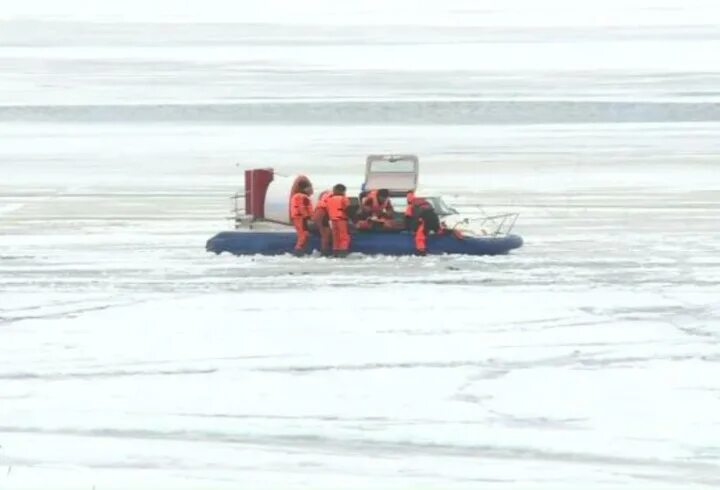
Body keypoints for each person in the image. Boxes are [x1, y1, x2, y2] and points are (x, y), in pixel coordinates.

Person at [405, 191, 439, 256]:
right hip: (434, 220)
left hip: (424, 222)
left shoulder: (411, 206)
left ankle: (421, 250)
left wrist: (410, 229)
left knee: (420, 235)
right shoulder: (427, 203)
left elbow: (408, 218)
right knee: (438, 230)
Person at [327, 183, 351, 257]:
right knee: (344, 237)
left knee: (335, 237)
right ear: (343, 191)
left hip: (333, 220)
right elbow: (348, 209)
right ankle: (343, 252)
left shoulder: (329, 199)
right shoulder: (343, 199)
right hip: (342, 219)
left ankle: (335, 252)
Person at [289, 182, 313, 256]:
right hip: (301, 218)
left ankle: (299, 251)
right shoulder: (303, 197)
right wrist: (307, 217)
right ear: (305, 188)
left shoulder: (296, 196)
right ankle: (298, 252)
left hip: (297, 217)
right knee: (303, 234)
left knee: (301, 234)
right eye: (310, 188)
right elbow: (302, 207)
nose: (311, 190)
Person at [312, 189, 333, 256]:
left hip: (321, 218)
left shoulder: (321, 203)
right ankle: (325, 253)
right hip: (321, 219)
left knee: (327, 234)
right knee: (325, 235)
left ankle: (325, 251)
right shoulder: (324, 205)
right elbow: (319, 218)